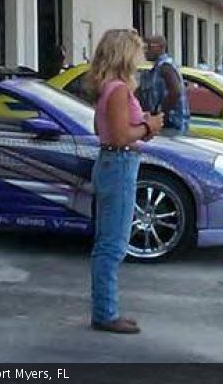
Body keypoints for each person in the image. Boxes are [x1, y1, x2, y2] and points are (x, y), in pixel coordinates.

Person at [87, 29, 164, 334]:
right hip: (120, 162)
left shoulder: (108, 88)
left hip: (110, 162)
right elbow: (120, 136)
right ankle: (106, 313)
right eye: (137, 50)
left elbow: (100, 127)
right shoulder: (119, 89)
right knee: (113, 244)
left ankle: (105, 309)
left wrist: (139, 125)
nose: (141, 55)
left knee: (106, 241)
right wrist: (148, 125)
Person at [140, 35, 190, 136]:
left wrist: (162, 113)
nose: (145, 51)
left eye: (148, 47)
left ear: (160, 47)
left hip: (172, 124)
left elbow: (175, 91)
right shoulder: (156, 67)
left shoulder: (165, 66)